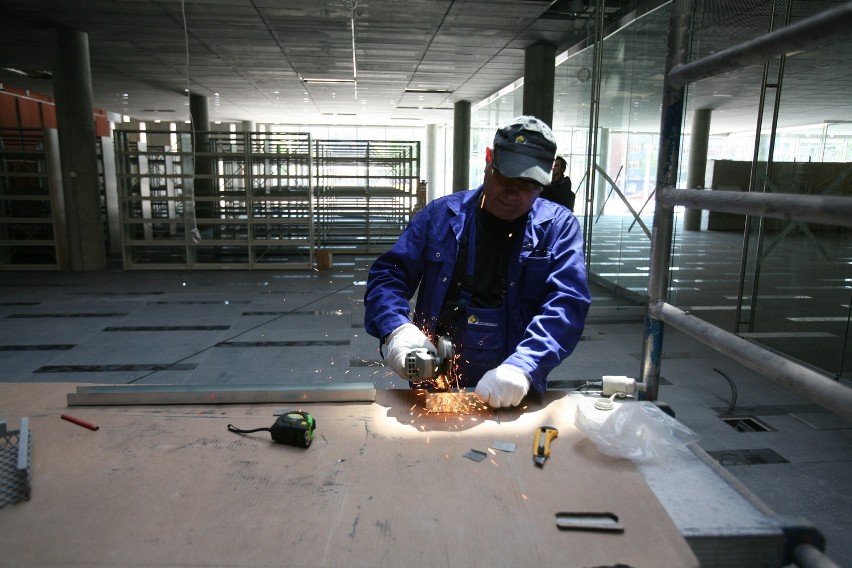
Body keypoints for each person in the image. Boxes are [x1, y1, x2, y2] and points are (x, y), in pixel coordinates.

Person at [363, 116, 591, 408]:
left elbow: (567, 304)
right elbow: (388, 276)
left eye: (529, 185)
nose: (515, 194)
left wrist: (524, 365)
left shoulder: (558, 227)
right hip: (434, 384)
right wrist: (396, 329)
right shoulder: (440, 216)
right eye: (507, 179)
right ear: (488, 159)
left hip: (515, 386)